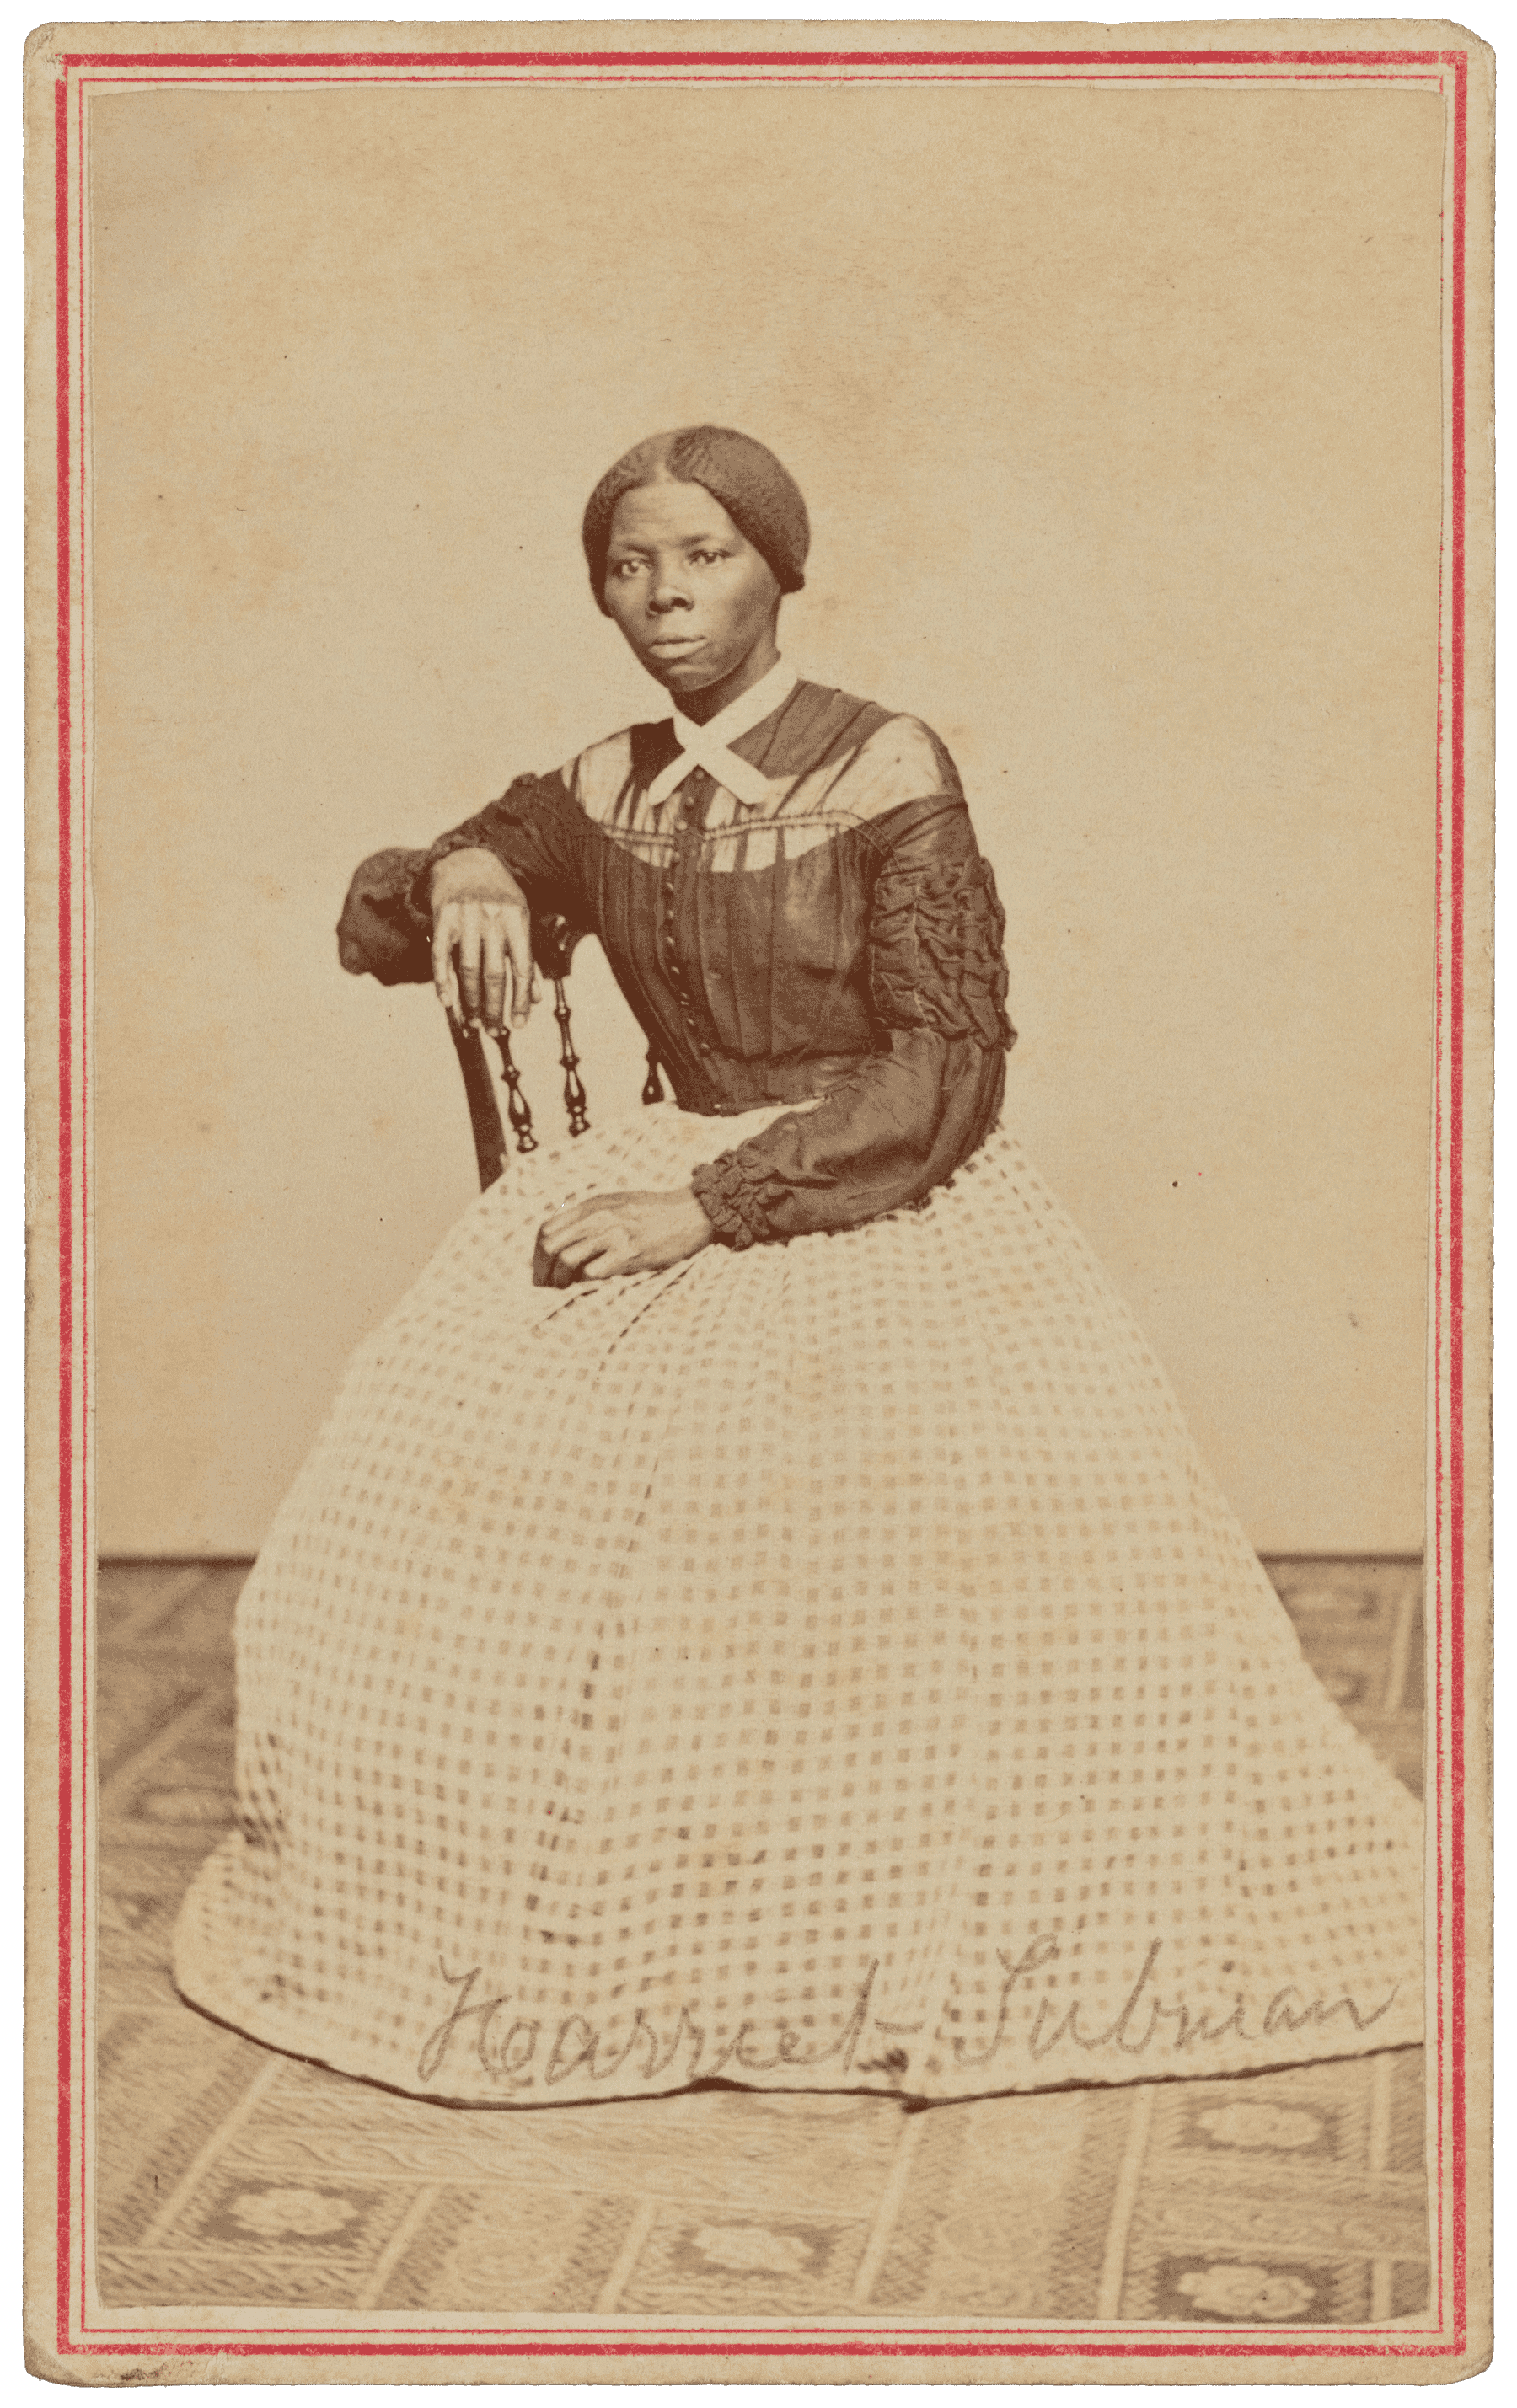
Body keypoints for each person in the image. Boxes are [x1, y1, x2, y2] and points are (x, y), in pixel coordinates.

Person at [173, 425, 1424, 2107]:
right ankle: (622, 1923)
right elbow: (395, 913)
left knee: (872, 1559)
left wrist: (713, 1205)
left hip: (874, 1199)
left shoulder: (883, 766)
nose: (665, 597)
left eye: (702, 556)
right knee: (410, 1521)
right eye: (630, 565)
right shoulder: (602, 783)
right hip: (657, 1166)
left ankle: (846, 1925)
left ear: (779, 564)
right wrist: (467, 866)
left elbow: (950, 1065)